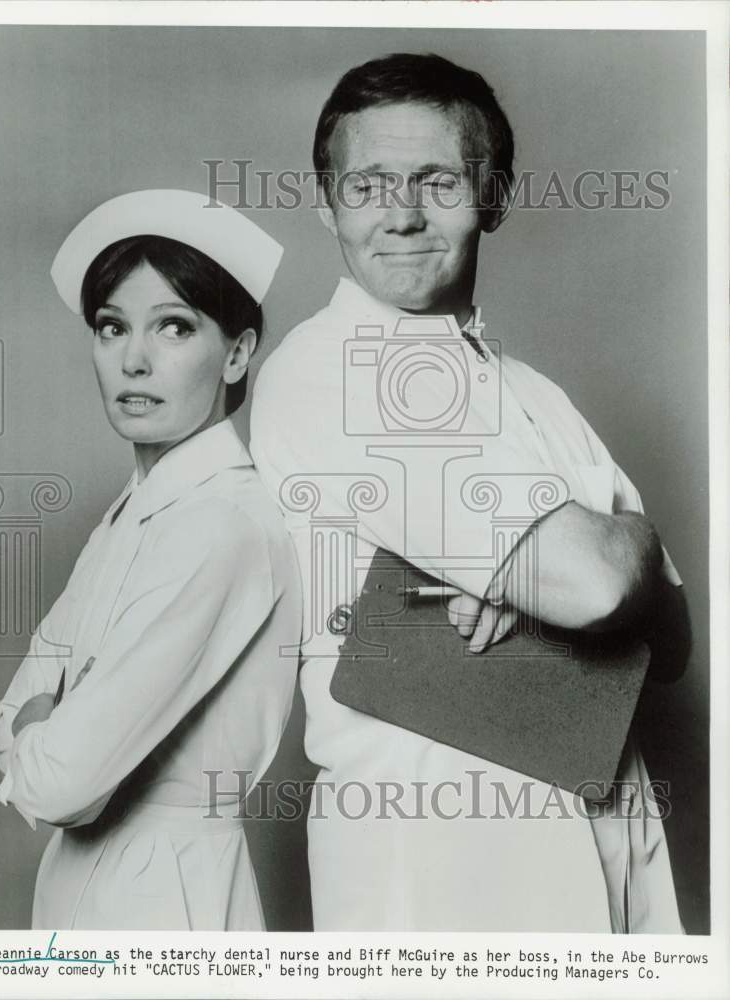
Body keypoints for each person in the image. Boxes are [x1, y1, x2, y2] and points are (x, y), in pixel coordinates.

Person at [250, 53, 690, 932]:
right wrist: (621, 546)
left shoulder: (536, 393)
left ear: (494, 194)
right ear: (327, 202)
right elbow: (598, 587)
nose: (404, 214)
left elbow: (671, 648)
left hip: (609, 835)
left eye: (437, 181)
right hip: (444, 863)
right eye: (369, 184)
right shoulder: (334, 368)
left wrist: (562, 582)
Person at [0, 189, 302, 930]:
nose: (134, 359)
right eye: (111, 327)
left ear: (236, 353)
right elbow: (12, 713)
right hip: (82, 882)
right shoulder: (134, 511)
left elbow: (64, 784)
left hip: (166, 894)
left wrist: (49, 727)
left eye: (173, 327)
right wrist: (45, 727)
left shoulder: (220, 523)